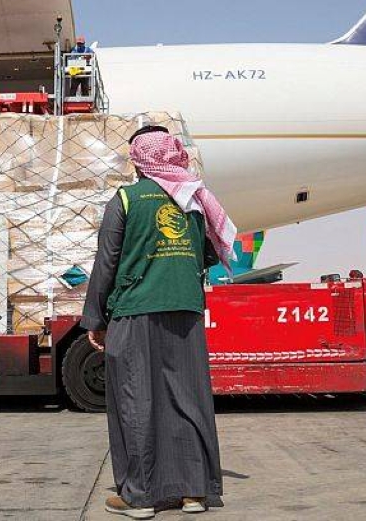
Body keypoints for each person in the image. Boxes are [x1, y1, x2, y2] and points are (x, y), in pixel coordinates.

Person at [81, 125, 237, 518]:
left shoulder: (126, 199)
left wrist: (95, 318)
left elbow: (107, 262)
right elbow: (207, 254)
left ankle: (141, 496)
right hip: (185, 310)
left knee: (137, 400)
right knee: (188, 399)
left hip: (136, 311)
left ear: (138, 162)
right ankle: (193, 493)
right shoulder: (195, 200)